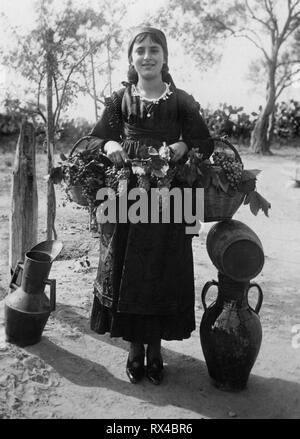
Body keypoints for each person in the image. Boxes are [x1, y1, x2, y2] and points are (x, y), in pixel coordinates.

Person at [88, 26, 213, 385]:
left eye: (154, 49)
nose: (147, 55)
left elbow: (203, 140)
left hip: (170, 199)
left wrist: (184, 148)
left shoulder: (181, 100)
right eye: (140, 50)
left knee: (162, 270)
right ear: (132, 59)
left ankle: (155, 349)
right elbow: (97, 137)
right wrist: (109, 144)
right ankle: (133, 349)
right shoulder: (120, 99)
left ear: (165, 56)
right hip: (126, 196)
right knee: (128, 269)